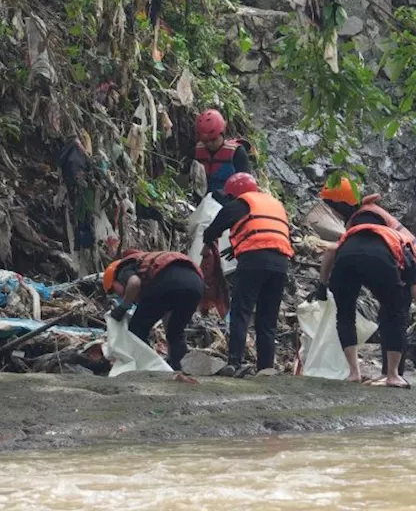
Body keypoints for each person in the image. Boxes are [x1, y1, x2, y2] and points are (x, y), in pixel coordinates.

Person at [316, 176, 416, 387]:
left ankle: (355, 373)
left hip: (347, 259)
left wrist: (322, 284)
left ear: (340, 205)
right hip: (382, 260)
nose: (332, 213)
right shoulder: (376, 224)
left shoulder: (361, 220)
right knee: (395, 313)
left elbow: (332, 250)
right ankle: (392, 375)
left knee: (346, 313)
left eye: (332, 207)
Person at [202, 172, 292, 375]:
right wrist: (237, 247)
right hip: (280, 264)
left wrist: (208, 246)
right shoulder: (275, 205)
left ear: (234, 193)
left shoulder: (239, 204)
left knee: (241, 311)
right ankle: (266, 368)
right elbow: (268, 233)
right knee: (267, 318)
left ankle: (235, 362)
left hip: (253, 263)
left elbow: (211, 231)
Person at [103, 250, 205, 371]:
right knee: (175, 333)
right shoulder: (147, 266)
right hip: (196, 285)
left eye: (114, 291)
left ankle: (147, 367)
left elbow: (134, 283)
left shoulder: (122, 270)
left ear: (114, 280)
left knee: (136, 329)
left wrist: (123, 307)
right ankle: (177, 369)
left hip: (167, 283)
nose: (119, 296)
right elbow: (167, 313)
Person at [193, 109, 253, 196]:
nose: (209, 144)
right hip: (202, 202)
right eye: (205, 141)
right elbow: (183, 184)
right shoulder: (196, 151)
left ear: (222, 133)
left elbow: (247, 187)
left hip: (229, 201)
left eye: (213, 140)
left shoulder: (237, 153)